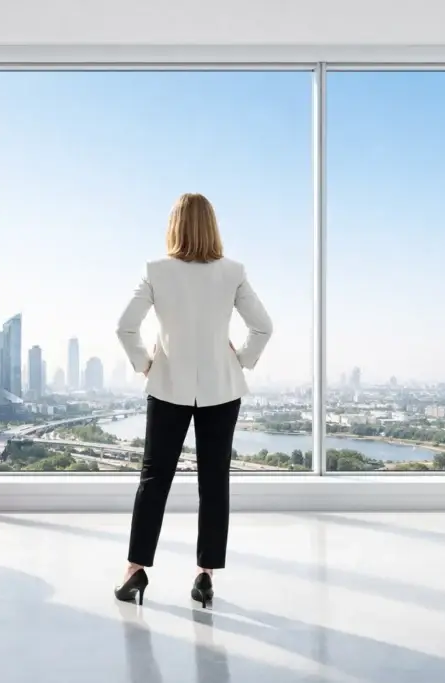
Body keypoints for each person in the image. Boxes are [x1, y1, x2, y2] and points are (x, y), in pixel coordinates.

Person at [113, 193, 273, 607]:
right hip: (222, 387)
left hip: (168, 386)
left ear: (175, 226)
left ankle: (135, 571)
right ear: (212, 226)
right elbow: (263, 327)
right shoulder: (233, 272)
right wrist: (242, 359)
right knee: (214, 480)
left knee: (154, 478)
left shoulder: (156, 271)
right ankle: (205, 576)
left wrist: (145, 364)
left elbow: (125, 327)